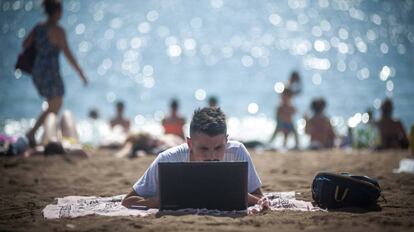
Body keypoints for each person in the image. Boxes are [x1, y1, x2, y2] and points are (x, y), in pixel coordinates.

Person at [122, 107, 263, 208]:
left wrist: (240, 195)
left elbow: (259, 197)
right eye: (204, 148)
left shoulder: (238, 152)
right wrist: (155, 202)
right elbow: (128, 200)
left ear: (226, 141)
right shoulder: (168, 159)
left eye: (219, 148)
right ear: (189, 143)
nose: (212, 156)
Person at [24, 0, 88, 147]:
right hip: (50, 72)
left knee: (52, 103)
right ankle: (35, 132)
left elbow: (25, 44)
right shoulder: (58, 30)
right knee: (56, 104)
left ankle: (41, 133)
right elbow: (68, 54)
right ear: (57, 12)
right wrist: (81, 74)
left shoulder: (38, 28)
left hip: (37, 71)